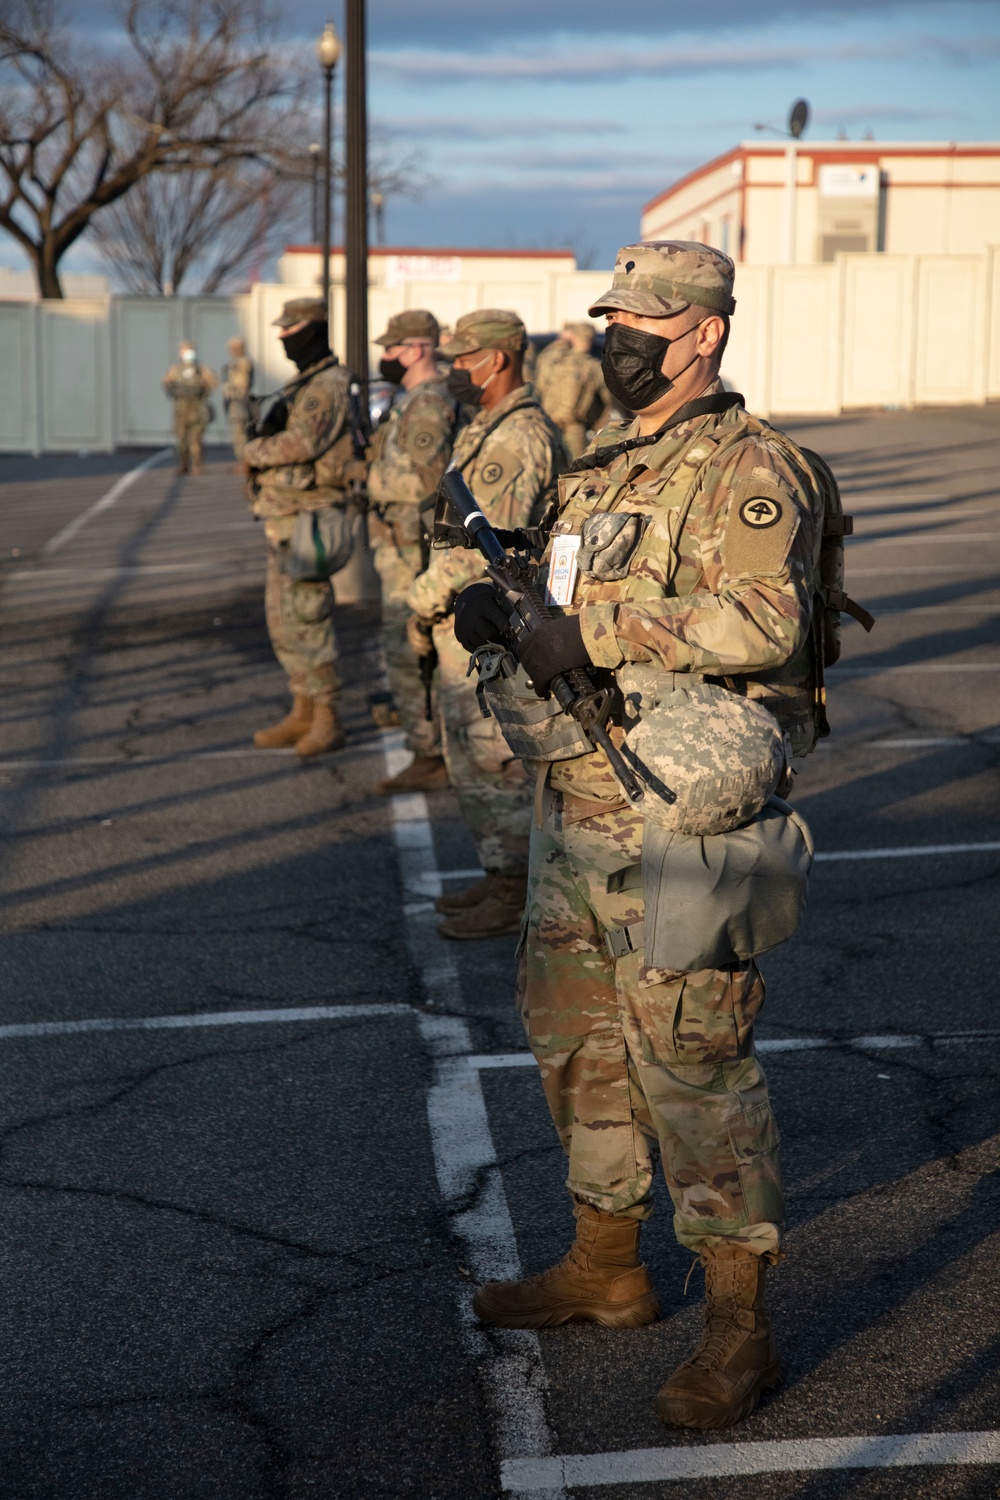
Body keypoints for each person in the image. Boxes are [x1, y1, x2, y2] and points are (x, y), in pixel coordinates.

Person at [454, 243, 823, 1429]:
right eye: (609, 316)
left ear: (703, 333)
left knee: (694, 1065)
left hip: (674, 815)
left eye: (644, 321)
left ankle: (737, 1330)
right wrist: (500, 606)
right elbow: (558, 604)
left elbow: (768, 618)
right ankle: (606, 1270)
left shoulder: (749, 466)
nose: (617, 338)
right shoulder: (605, 466)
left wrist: (593, 629)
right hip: (577, 806)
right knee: (576, 1044)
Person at [406, 309, 567, 940]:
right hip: (468, 616)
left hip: (486, 619)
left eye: (461, 360)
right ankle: (500, 877)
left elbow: (485, 545)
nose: (453, 373)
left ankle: (515, 892)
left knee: (496, 763)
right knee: (473, 761)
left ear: (495, 360)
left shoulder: (516, 437)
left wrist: (422, 598)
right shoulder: (490, 426)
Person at [243, 297, 360, 759]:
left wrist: (252, 451)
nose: (282, 338)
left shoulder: (327, 385)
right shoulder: (305, 382)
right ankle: (303, 707)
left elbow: (302, 442)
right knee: (283, 620)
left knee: (308, 619)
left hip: (310, 519)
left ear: (311, 330)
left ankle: (328, 716)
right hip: (285, 518)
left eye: (290, 330)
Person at [368, 310, 463, 796]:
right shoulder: (414, 399)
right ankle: (428, 745)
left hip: (412, 547)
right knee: (406, 648)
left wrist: (367, 479)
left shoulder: (430, 402)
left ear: (418, 348)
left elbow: (428, 479)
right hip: (398, 544)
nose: (384, 357)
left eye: (392, 347)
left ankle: (430, 751)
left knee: (409, 649)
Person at [536, 320, 612, 459]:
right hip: (573, 428)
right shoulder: (594, 367)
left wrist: (561, 341)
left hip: (548, 424)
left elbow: (540, 381)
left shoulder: (555, 362)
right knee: (575, 470)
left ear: (573, 337)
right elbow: (608, 400)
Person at [162, 342, 217, 475]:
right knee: (181, 437)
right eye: (185, 351)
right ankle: (183, 463)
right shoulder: (175, 369)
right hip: (181, 409)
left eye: (190, 350)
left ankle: (197, 464)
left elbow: (213, 382)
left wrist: (202, 390)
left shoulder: (201, 368)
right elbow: (166, 383)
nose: (188, 354)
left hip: (197, 408)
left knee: (196, 437)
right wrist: (176, 390)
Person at [222, 337, 254, 464]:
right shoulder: (236, 362)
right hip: (235, 403)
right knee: (238, 433)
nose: (231, 350)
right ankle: (242, 461)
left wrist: (229, 390)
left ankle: (244, 462)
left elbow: (242, 385)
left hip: (240, 402)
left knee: (241, 434)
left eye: (233, 347)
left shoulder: (242, 362)